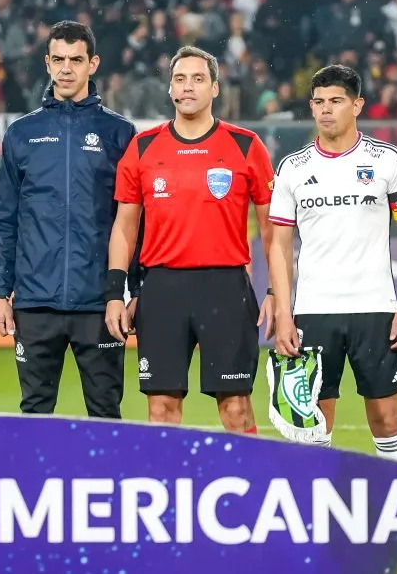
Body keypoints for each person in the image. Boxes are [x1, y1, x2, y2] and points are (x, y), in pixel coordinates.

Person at [106, 45, 275, 433]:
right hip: (162, 289)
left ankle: (246, 491)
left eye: (198, 79)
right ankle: (170, 493)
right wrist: (116, 292)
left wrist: (276, 293)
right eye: (179, 79)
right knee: (162, 409)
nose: (188, 87)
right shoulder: (143, 147)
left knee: (235, 409)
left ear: (215, 88)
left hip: (226, 286)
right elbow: (124, 227)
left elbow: (273, 228)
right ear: (170, 89)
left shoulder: (246, 146)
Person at [268, 64, 397, 461]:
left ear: (357, 105)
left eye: (336, 101)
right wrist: (284, 313)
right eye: (318, 102)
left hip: (375, 308)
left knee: (386, 420)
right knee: (313, 425)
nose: (325, 110)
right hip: (315, 311)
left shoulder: (388, 160)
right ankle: (315, 515)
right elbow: (280, 247)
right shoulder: (293, 168)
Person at [0, 21, 137, 419]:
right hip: (35, 302)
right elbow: (5, 219)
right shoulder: (22, 133)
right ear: (47, 63)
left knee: (106, 413)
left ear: (93, 64)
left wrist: (131, 291)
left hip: (98, 304)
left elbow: (132, 220)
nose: (66, 69)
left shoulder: (119, 133)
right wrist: (0, 293)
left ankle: (106, 483)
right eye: (58, 59)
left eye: (75, 60)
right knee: (35, 414)